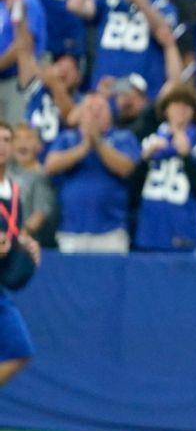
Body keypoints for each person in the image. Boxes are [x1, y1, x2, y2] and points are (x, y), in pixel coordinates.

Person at [43, 93, 140, 253]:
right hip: (71, 231)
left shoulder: (123, 137)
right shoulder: (67, 138)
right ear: (81, 114)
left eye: (100, 109)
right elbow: (50, 165)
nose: (95, 113)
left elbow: (126, 168)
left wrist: (97, 142)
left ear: (110, 114)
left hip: (111, 232)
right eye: (89, 108)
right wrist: (83, 148)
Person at [129, 85, 196, 252]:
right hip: (149, 232)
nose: (180, 109)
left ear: (194, 111)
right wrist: (145, 159)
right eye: (175, 104)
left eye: (186, 105)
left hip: (182, 232)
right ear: (165, 109)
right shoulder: (150, 142)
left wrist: (186, 157)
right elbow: (132, 191)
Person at [0, 121, 41, 388]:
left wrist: (26, 242)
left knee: (20, 349)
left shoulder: (13, 191)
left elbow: (13, 230)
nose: (1, 146)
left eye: (6, 139)